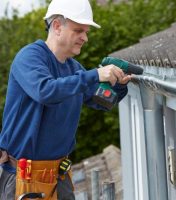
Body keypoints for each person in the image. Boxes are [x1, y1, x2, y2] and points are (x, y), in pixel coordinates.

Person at [0, 0, 131, 199]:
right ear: (57, 26)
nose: (85, 38)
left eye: (86, 32)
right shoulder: (29, 57)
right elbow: (45, 91)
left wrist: (119, 85)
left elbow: (101, 102)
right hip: (24, 180)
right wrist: (95, 75)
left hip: (60, 177)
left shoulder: (74, 68)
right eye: (79, 30)